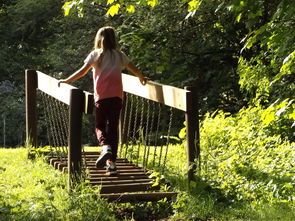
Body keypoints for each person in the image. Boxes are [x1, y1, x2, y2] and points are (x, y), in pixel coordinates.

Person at [58, 26, 147, 175]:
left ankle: (105, 147)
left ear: (98, 39)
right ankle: (112, 164)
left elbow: (82, 72)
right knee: (113, 129)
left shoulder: (95, 55)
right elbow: (133, 68)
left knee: (99, 126)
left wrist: (66, 80)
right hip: (117, 97)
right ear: (114, 39)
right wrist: (141, 77)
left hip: (102, 97)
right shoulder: (119, 55)